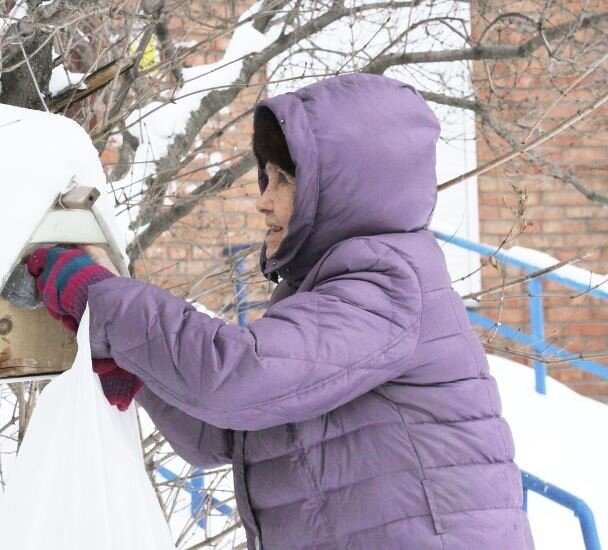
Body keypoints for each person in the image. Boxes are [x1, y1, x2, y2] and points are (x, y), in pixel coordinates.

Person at [28, 73, 534, 549]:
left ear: (340, 192)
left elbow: (234, 378)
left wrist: (106, 302)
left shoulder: (386, 284)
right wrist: (139, 366)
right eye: (264, 178)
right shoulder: (328, 290)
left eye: (284, 180)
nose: (263, 202)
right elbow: (222, 433)